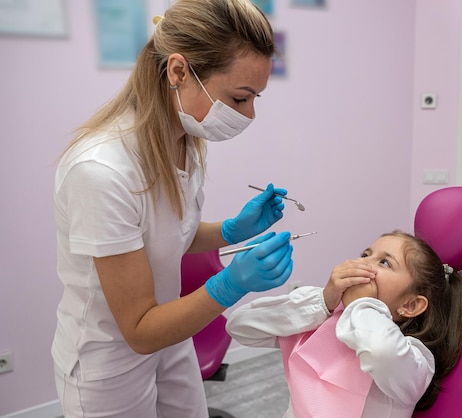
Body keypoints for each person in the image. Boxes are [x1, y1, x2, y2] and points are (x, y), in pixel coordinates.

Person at [52, 1, 292, 416]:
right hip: (110, 358)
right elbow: (140, 331)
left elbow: (165, 236)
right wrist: (231, 284)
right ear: (178, 72)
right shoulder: (101, 172)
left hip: (172, 332)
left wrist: (232, 230)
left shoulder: (184, 138)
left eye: (255, 98)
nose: (249, 114)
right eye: (239, 97)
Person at [226, 230, 462, 418]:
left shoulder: (415, 358)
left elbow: (380, 351)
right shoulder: (320, 314)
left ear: (410, 305)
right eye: (366, 254)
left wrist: (360, 304)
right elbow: (240, 326)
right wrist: (323, 302)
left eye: (385, 263)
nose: (364, 263)